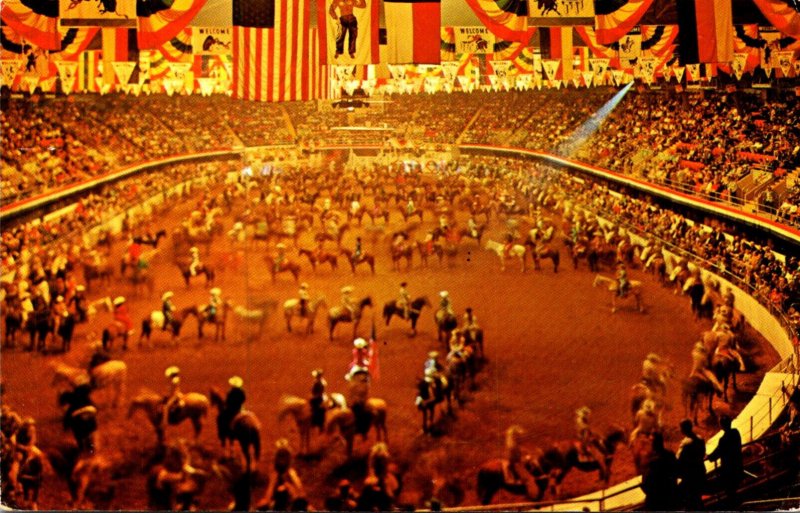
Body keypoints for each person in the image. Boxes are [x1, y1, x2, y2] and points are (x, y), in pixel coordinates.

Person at [708, 415, 743, 508]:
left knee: (730, 492)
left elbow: (717, 453)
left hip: (728, 470)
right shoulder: (736, 432)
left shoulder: (723, 439)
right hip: (738, 466)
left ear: (722, 425)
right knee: (734, 489)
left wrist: (709, 456)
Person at [259, 438, 304, 510]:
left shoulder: (291, 474)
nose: (282, 461)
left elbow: (300, 493)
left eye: (284, 456)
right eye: (280, 456)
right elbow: (268, 495)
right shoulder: (275, 475)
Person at [640, 432, 679, 510]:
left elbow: (646, 483)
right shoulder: (670, 454)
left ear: (654, 444)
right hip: (671, 497)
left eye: (651, 441)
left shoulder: (652, 460)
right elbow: (677, 471)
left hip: (657, 501)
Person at [676, 419, 706, 510]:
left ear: (683, 429)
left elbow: (678, 459)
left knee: (690, 502)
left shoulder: (685, 443)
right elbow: (703, 453)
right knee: (698, 499)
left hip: (690, 477)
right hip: (700, 472)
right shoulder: (700, 439)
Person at [219, 376, 246, 442]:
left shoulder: (230, 392)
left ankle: (223, 433)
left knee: (221, 418)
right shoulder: (242, 391)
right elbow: (244, 399)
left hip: (231, 409)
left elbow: (227, 401)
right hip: (240, 408)